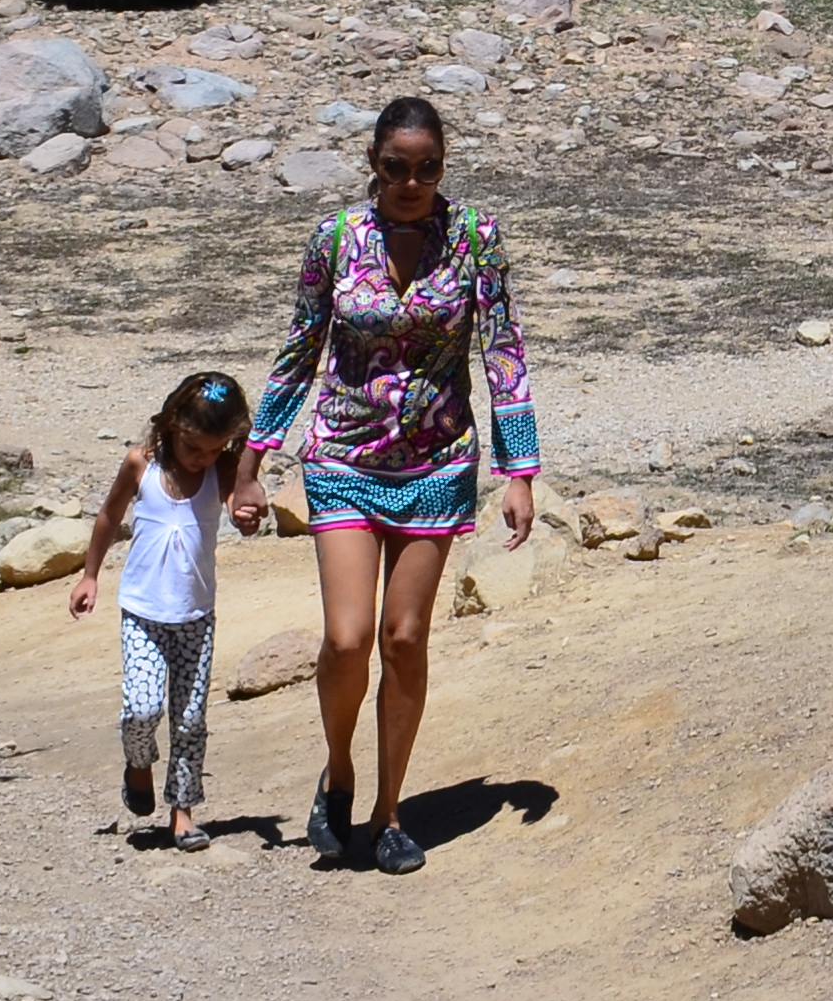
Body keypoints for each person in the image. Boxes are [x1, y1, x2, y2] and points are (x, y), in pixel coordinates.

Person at [246, 94, 537, 870]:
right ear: (372, 164)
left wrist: (520, 470)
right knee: (347, 640)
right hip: (341, 457)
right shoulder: (335, 239)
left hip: (437, 463)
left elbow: (503, 353)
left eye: (428, 167)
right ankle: (338, 774)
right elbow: (299, 349)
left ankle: (389, 812)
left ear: (444, 165)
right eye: (396, 167)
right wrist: (255, 456)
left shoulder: (476, 238)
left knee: (403, 639)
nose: (412, 181)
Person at [68, 368, 255, 850]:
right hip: (143, 613)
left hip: (195, 616)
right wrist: (90, 574)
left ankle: (184, 812)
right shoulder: (141, 465)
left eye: (215, 450)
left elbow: (240, 509)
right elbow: (110, 515)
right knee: (142, 709)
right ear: (173, 425)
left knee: (190, 719)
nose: (203, 458)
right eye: (195, 448)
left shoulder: (221, 471)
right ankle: (138, 764)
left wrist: (248, 513)